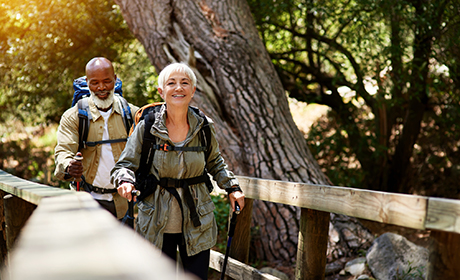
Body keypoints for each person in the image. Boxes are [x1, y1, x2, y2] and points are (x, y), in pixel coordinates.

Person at [111, 62, 245, 279]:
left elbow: (215, 163)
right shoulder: (148, 127)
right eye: (171, 83)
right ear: (161, 91)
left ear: (193, 90)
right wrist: (125, 181)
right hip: (156, 222)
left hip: (197, 221)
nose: (178, 88)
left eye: (185, 83)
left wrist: (233, 187)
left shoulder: (204, 126)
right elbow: (125, 164)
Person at [54, 57, 139, 220]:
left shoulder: (132, 114)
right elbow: (63, 152)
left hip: (124, 204)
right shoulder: (74, 116)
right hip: (86, 202)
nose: (101, 87)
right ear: (87, 82)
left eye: (107, 81)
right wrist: (69, 166)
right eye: (94, 83)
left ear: (115, 79)